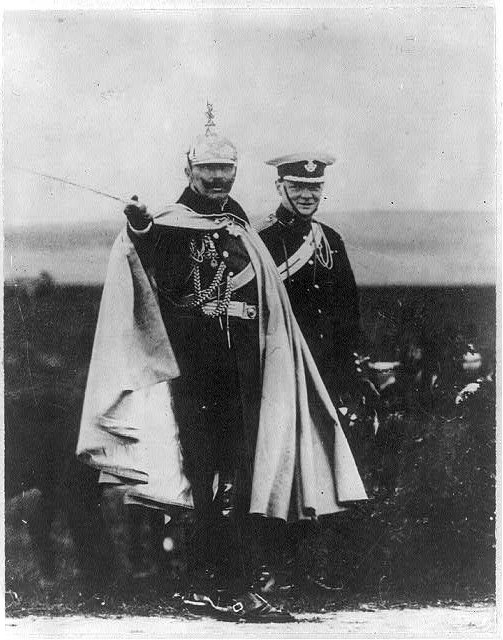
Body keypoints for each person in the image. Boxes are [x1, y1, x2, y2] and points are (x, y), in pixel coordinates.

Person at [76, 124, 367, 620]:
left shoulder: (236, 221)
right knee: (203, 478)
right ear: (189, 169)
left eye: (225, 169)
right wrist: (141, 229)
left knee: (237, 477)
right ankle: (210, 584)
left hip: (243, 373)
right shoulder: (169, 224)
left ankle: (230, 583)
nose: (217, 178)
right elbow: (151, 265)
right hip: (193, 372)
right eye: (208, 169)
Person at [258, 153, 371, 592]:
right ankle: (275, 568)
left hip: (324, 373)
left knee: (318, 468)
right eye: (298, 187)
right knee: (280, 466)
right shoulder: (262, 241)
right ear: (280, 188)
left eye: (314, 188)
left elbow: (348, 312)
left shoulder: (330, 241)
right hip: (280, 372)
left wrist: (346, 375)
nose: (307, 195)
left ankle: (308, 569)